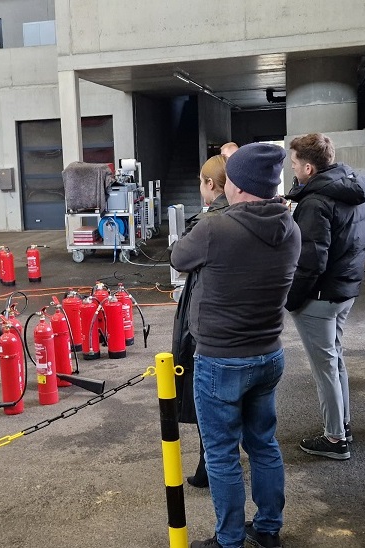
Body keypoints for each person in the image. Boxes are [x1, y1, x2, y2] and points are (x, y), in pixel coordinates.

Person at [172, 143, 300, 548]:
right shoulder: (290, 228)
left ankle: (228, 540)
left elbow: (178, 257)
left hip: (221, 359)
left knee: (222, 454)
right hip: (268, 353)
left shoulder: (214, 228)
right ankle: (268, 530)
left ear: (238, 185)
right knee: (263, 445)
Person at [284, 133, 365, 460]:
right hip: (344, 289)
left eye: (294, 163)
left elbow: (310, 261)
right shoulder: (353, 188)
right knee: (334, 361)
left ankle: (335, 439)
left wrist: (291, 300)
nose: (292, 168)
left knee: (325, 369)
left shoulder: (316, 202)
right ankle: (342, 425)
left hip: (319, 297)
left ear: (308, 167)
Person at [171, 154, 229, 489]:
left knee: (212, 405)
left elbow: (179, 257)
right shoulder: (274, 217)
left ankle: (211, 469)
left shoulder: (209, 223)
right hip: (258, 336)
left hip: (211, 330)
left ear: (210, 184)